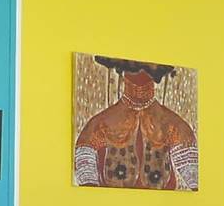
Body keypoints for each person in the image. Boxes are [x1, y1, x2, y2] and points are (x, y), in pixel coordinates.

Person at [74, 57, 196, 190]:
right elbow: (85, 162)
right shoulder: (102, 122)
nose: (139, 86)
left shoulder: (172, 123)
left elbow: (193, 174)